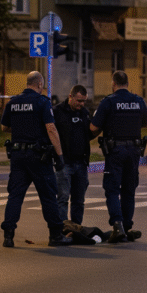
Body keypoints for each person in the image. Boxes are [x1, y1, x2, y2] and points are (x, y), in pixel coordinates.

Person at [0, 71, 72, 247]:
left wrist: (21, 130)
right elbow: (51, 129)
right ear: (40, 84)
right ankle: (55, 235)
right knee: (48, 195)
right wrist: (60, 155)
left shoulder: (13, 102)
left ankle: (8, 236)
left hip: (17, 156)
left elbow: (4, 127)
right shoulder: (42, 102)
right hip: (38, 156)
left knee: (15, 196)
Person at [89, 71, 147, 243]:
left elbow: (94, 127)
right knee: (129, 190)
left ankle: (118, 225)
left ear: (113, 83)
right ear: (127, 83)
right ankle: (127, 226)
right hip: (134, 151)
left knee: (112, 189)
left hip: (115, 151)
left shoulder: (108, 102)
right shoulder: (138, 101)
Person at [53, 85, 91, 224]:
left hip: (81, 163)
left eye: (84, 101)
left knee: (79, 200)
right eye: (79, 100)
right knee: (62, 198)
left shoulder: (84, 113)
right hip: (64, 162)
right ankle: (63, 229)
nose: (81, 104)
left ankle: (76, 229)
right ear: (71, 96)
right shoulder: (57, 111)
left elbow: (89, 133)